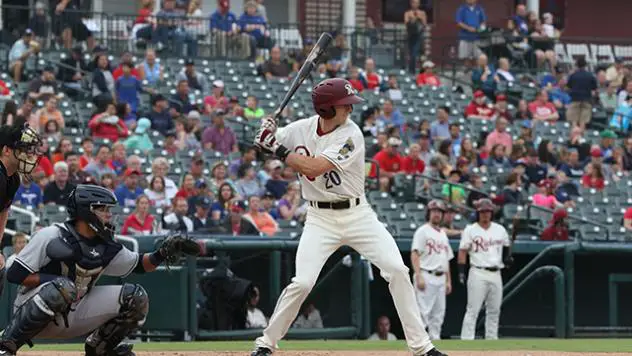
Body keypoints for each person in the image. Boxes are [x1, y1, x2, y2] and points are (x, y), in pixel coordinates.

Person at [250, 77, 445, 356]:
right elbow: (264, 145)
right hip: (319, 218)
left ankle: (422, 347)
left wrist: (276, 147)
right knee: (303, 282)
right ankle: (266, 343)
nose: (351, 110)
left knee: (398, 270)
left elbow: (314, 167)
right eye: (345, 105)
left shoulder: (351, 134)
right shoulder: (301, 129)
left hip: (358, 214)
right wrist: (265, 132)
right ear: (327, 109)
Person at [0, 184, 199, 356]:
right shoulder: (51, 234)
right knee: (63, 287)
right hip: (34, 312)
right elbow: (15, 274)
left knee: (135, 297)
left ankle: (100, 348)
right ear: (89, 210)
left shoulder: (107, 244)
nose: (109, 215)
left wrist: (163, 252)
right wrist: (53, 280)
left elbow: (139, 265)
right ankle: (6, 345)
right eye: (104, 209)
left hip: (76, 310)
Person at [458, 199, 511, 340]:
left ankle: (491, 340)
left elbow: (506, 247)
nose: (485, 214)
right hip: (478, 271)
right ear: (478, 212)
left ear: (492, 213)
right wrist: (461, 271)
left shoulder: (500, 229)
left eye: (488, 211)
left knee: (494, 310)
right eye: (482, 211)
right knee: (472, 310)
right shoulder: (470, 229)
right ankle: (466, 341)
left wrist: (507, 259)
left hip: (496, 272)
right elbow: (462, 251)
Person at [0, 124, 43, 292]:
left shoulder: (13, 178)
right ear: (6, 150)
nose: (29, 155)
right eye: (23, 149)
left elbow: (3, 211)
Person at [410, 200, 453, 341]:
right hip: (426, 274)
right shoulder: (422, 231)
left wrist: (448, 281)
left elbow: (445, 259)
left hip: (441, 277)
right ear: (428, 213)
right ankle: (419, 344)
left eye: (439, 212)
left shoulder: (443, 234)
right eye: (434, 211)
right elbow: (415, 254)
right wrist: (418, 275)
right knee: (423, 313)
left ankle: (435, 341)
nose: (437, 214)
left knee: (438, 314)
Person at [405, 0, 427, 74]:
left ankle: (423, 72)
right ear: (411, 3)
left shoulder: (422, 13)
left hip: (419, 36)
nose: (416, 4)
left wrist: (415, 18)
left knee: (421, 55)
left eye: (417, 3)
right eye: (414, 2)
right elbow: (406, 22)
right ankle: (412, 71)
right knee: (412, 54)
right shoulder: (407, 13)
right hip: (411, 36)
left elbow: (424, 24)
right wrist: (415, 18)